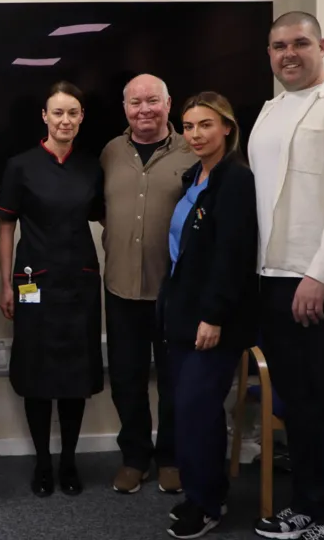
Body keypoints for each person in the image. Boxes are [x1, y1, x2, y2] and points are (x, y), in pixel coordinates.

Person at [249, 11, 324, 540]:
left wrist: (320, 275)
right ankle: (306, 504)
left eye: (300, 43)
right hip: (274, 278)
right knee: (298, 405)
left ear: (321, 45)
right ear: (270, 54)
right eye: (279, 46)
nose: (289, 54)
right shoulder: (271, 110)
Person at [0, 81, 104, 497]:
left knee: (76, 376)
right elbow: (6, 227)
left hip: (80, 284)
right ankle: (42, 461)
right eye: (58, 112)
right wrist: (6, 284)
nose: (65, 120)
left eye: (73, 113)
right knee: (36, 374)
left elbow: (106, 218)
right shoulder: (20, 166)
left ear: (82, 117)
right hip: (32, 283)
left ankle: (69, 461)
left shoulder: (92, 166)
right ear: (44, 116)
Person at [158, 93, 258, 538]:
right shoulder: (194, 176)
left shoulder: (235, 180)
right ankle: (201, 491)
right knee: (188, 409)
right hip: (183, 312)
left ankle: (208, 503)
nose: (195, 134)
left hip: (214, 318)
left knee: (198, 408)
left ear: (227, 128)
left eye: (205, 125)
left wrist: (214, 316)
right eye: (188, 126)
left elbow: (232, 256)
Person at [100, 73, 196, 495]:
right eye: (135, 103)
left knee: (174, 380)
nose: (144, 110)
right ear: (125, 108)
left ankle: (170, 457)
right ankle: (135, 458)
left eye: (152, 101)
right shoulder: (110, 152)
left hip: (174, 291)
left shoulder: (192, 151)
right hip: (121, 288)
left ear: (168, 104)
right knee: (126, 379)